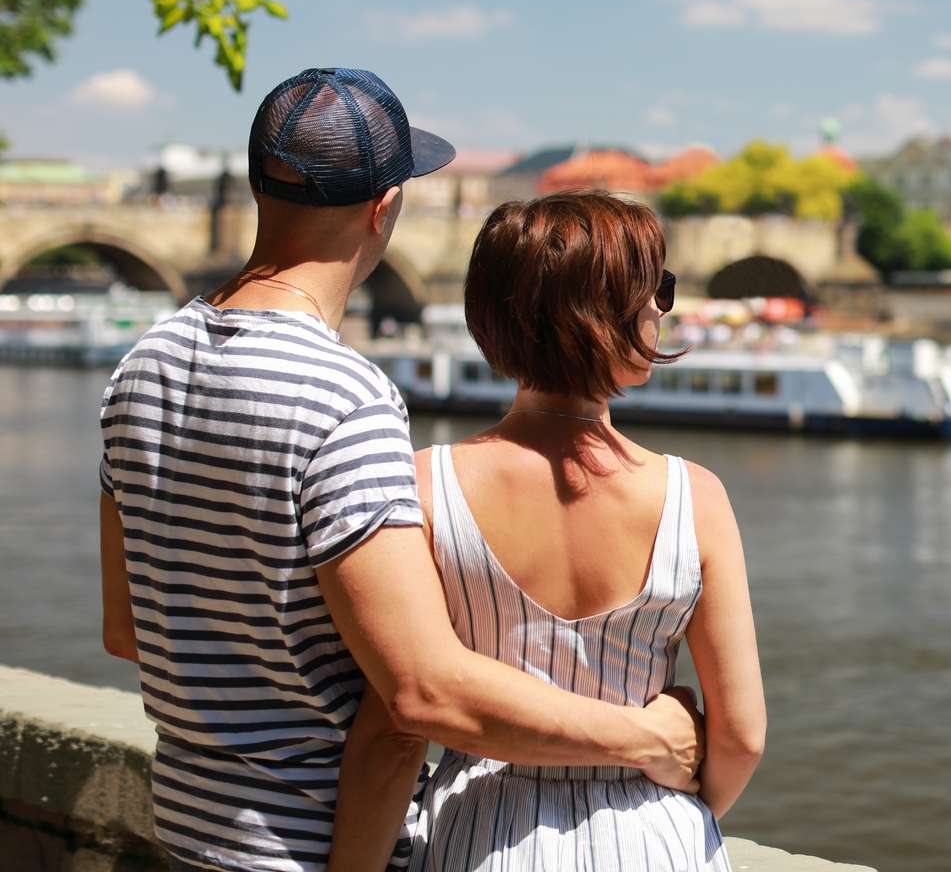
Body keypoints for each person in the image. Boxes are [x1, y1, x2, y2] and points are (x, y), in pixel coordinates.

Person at [98, 69, 703, 872]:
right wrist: (648, 735)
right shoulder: (345, 398)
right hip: (312, 845)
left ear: (255, 189)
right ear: (385, 208)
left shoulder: (141, 365)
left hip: (188, 832)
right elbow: (420, 693)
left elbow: (126, 629)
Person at [327, 190, 765, 872]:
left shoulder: (421, 485)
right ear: (603, 315)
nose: (660, 307)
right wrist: (675, 809)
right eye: (657, 289)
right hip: (653, 833)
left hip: (478, 834)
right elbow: (740, 735)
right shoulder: (695, 497)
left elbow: (393, 728)